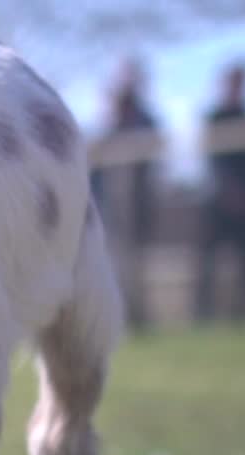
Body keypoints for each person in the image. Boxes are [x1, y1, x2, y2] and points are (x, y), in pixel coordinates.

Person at [197, 64, 245, 321]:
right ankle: (202, 313)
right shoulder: (214, 117)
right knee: (206, 261)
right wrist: (227, 189)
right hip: (217, 201)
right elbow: (212, 160)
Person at [95, 58, 160, 329]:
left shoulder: (148, 120)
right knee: (113, 261)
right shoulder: (111, 125)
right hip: (110, 206)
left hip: (140, 202)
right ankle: (118, 317)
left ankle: (138, 316)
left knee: (138, 262)